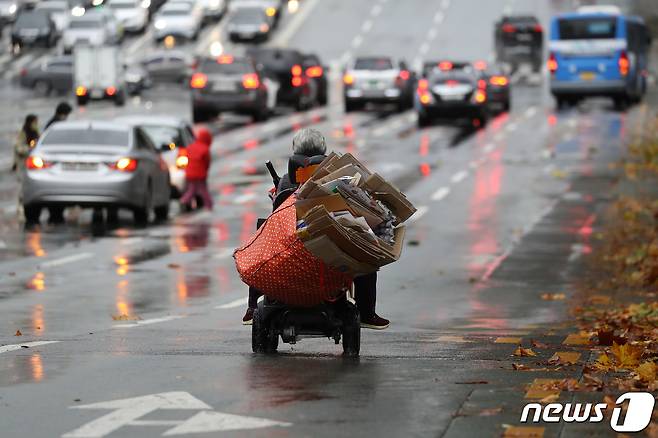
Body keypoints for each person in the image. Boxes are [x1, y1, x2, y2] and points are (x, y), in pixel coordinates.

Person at [241, 128, 390, 330]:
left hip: (289, 245)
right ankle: (367, 312)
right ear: (324, 151)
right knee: (365, 253)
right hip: (330, 247)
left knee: (261, 245)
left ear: (295, 151)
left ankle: (251, 308)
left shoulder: (285, 182)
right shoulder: (338, 180)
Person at [13, 114, 40, 222]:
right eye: (35, 122)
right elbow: (18, 148)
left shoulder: (36, 132)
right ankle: (21, 207)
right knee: (22, 186)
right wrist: (29, 149)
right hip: (23, 164)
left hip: (32, 165)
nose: (36, 124)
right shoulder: (23, 133)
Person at [180, 127, 213, 211]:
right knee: (203, 190)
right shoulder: (205, 149)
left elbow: (186, 157)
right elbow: (207, 162)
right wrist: (205, 171)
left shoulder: (191, 147)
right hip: (199, 174)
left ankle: (184, 200)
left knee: (192, 189)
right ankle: (209, 205)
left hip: (189, 173)